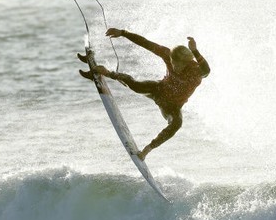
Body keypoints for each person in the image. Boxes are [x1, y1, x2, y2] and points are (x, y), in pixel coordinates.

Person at [79, 28, 210, 161]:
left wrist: (194, 50)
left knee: (176, 124)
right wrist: (123, 33)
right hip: (158, 90)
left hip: (172, 106)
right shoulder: (168, 54)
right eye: (172, 63)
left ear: (186, 63)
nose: (174, 67)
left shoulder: (196, 71)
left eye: (177, 65)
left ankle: (147, 149)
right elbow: (146, 43)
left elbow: (207, 70)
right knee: (136, 85)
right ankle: (107, 73)